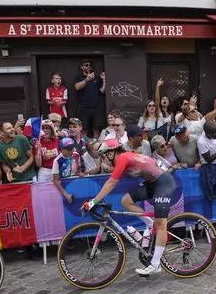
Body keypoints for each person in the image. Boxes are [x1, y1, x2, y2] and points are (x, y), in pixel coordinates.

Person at [83, 139, 176, 276]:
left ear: (111, 153)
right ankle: (151, 226)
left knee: (161, 224)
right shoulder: (125, 157)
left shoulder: (122, 158)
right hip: (153, 183)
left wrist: (94, 201)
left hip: (164, 183)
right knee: (126, 201)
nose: (104, 160)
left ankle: (155, 264)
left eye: (104, 156)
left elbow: (111, 183)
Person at [74, 59, 106, 138]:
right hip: (84, 106)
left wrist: (104, 79)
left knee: (96, 129)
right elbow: (77, 87)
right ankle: (84, 146)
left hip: (96, 106)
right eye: (86, 65)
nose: (89, 67)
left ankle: (97, 146)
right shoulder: (79, 77)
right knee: (83, 129)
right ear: (82, 67)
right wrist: (87, 79)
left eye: (90, 65)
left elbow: (102, 91)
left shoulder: (96, 77)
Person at [52, 138, 82, 203]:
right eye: (68, 150)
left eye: (72, 149)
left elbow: (78, 170)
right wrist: (65, 194)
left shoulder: (76, 155)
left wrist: (80, 173)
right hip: (63, 187)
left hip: (75, 184)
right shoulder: (57, 161)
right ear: (62, 149)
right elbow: (55, 180)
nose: (71, 152)